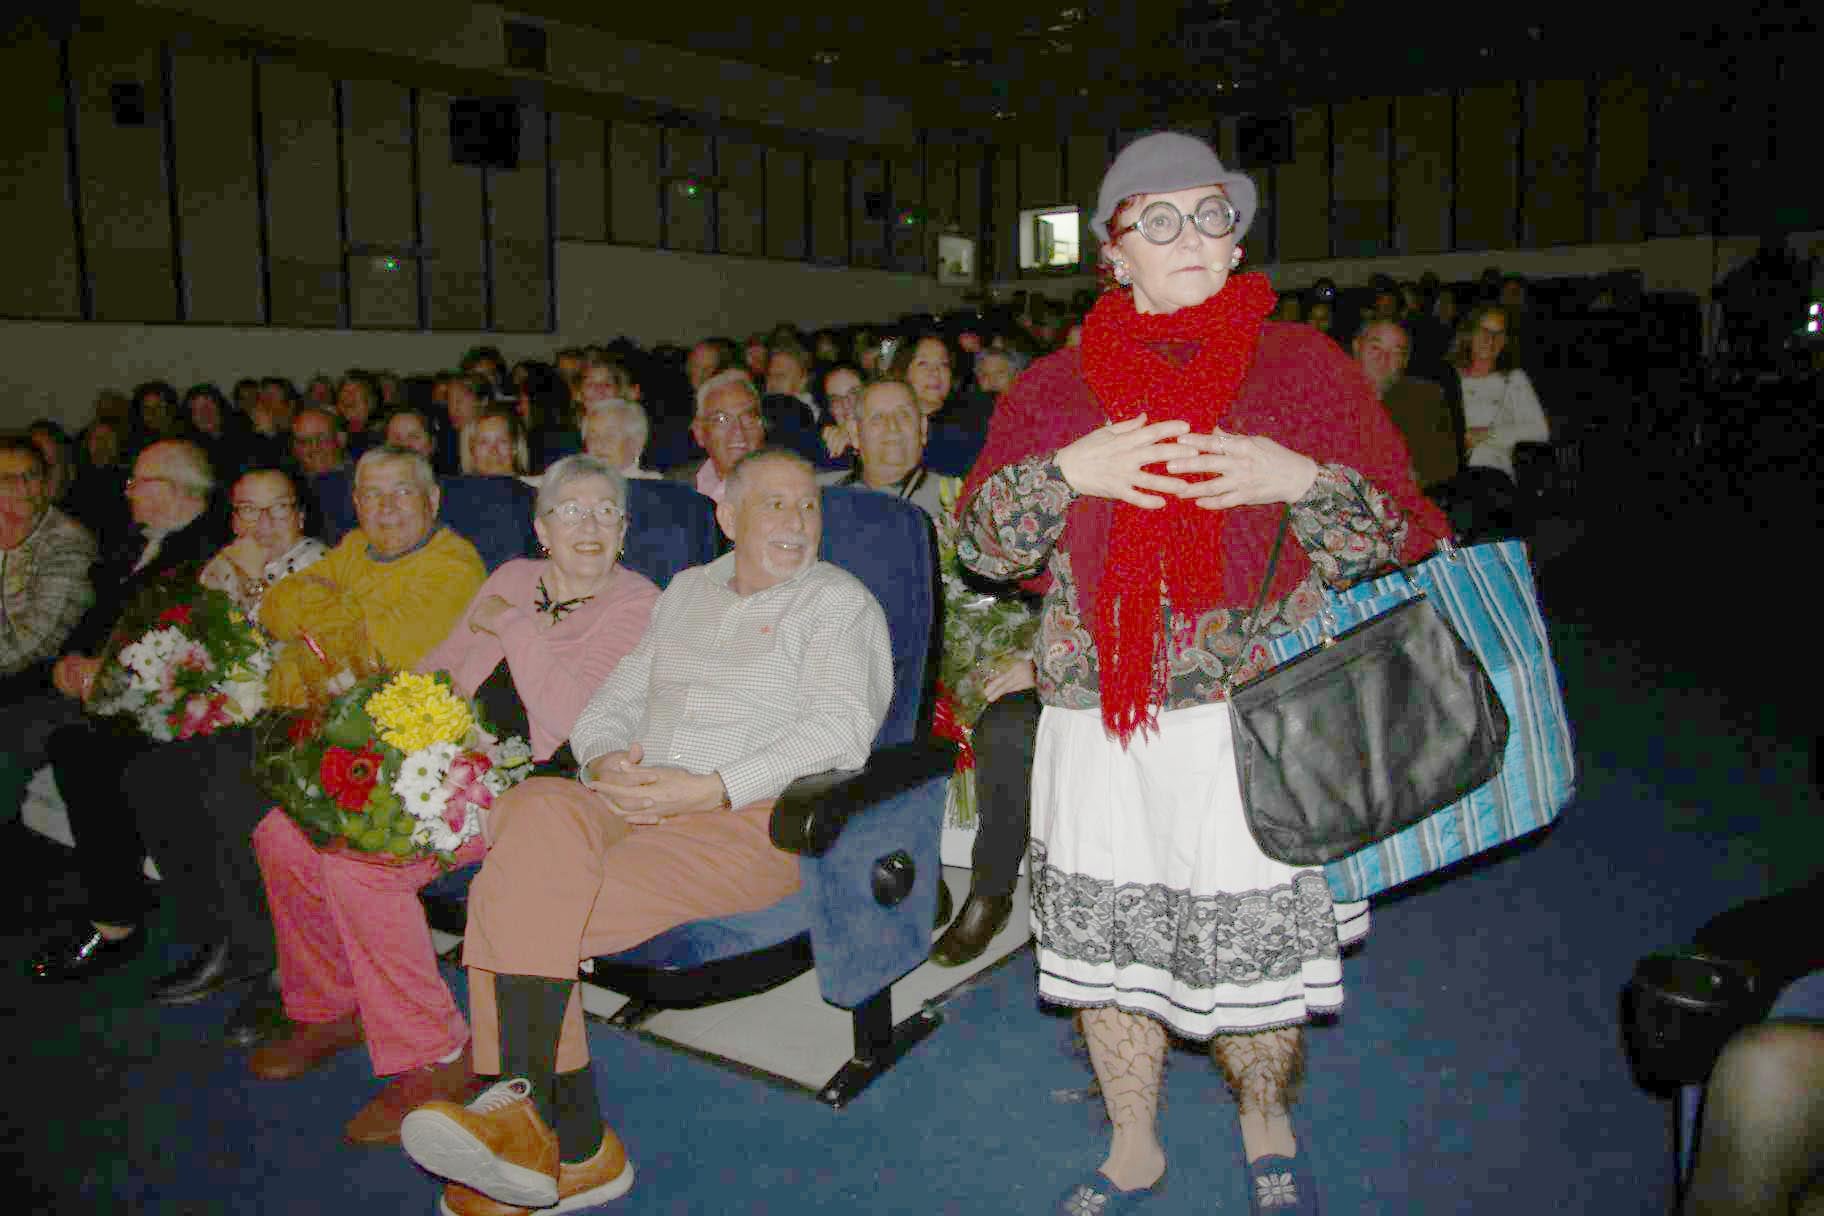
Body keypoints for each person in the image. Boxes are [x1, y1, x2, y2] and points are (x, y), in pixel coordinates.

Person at [956, 131, 1449, 1215]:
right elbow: (984, 546)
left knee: (1256, 962)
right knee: (1106, 951)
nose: (1190, 235)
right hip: (1099, 720)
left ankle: (1263, 1112)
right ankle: (1133, 1141)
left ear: (1236, 244)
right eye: (1157, 218)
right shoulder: (1052, 387)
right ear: (1114, 253)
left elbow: (1405, 531)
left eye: (1211, 215)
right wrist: (1067, 473)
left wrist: (1298, 476)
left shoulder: (1305, 371)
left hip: (1258, 717)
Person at [395, 448, 891, 1216]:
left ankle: (554, 1130)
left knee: (513, 893)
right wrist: (602, 759)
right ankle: (555, 1137)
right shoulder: (687, 592)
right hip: (630, 796)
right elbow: (615, 699)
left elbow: (840, 731)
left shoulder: (836, 603)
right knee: (532, 810)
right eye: (774, 505)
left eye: (808, 506)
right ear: (726, 516)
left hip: (744, 820)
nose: (796, 522)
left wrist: (707, 788)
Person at [246, 455, 659, 1145]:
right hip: (438, 756)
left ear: (623, 530)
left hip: (530, 783)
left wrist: (516, 629)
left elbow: (573, 719)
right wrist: (378, 727)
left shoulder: (638, 603)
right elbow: (441, 661)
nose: (588, 525)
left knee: (361, 867)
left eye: (605, 512)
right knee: (283, 830)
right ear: (541, 528)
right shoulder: (511, 578)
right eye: (570, 510)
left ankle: (436, 1052)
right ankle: (331, 1005)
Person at [23, 439, 229, 984]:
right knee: (65, 738)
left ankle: (116, 919)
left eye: (139, 481)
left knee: (85, 750)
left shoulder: (206, 552)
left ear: (179, 491)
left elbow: (183, 643)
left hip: (174, 700)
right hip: (113, 692)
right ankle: (103, 903)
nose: (129, 491)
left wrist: (104, 672)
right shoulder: (135, 546)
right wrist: (70, 662)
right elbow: (95, 622)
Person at [1352, 320, 1464, 490]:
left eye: (1396, 352)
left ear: (1405, 360)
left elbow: (1445, 467)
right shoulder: (1328, 393)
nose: (1383, 359)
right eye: (1375, 348)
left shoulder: (1426, 398)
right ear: (1357, 347)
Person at [1450, 303, 1549, 480]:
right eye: (1484, 331)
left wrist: (1485, 434)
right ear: (1469, 334)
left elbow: (1540, 431)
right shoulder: (1448, 376)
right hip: (1448, 469)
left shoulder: (1514, 379)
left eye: (1498, 333)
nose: (1491, 339)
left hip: (1491, 471)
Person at [817, 380, 943, 515]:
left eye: (903, 415)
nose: (892, 426)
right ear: (854, 433)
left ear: (923, 428)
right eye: (877, 417)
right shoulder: (819, 494)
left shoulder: (955, 501)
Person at [667, 369, 765, 504]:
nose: (738, 431)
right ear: (699, 432)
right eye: (722, 420)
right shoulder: (673, 488)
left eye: (748, 418)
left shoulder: (787, 486)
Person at [581, 399, 658, 479]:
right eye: (593, 437)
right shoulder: (574, 485)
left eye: (610, 436)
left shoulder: (654, 486)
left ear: (636, 443)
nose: (599, 443)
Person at [460, 406, 532, 479]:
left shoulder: (536, 489)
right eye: (484, 442)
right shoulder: (455, 489)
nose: (493, 451)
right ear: (472, 450)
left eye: (502, 441)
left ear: (514, 448)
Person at [291, 405, 348, 477]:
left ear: (340, 439)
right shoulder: (289, 481)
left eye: (322, 438)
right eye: (304, 441)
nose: (315, 447)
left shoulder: (360, 479)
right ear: (295, 448)